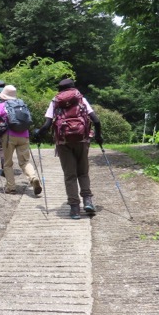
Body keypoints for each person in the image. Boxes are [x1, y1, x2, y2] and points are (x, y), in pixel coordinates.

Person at [33, 78, 103, 219]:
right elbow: (96, 120)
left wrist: (37, 134)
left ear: (60, 89)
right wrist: (98, 137)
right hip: (82, 140)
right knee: (83, 173)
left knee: (70, 175)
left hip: (63, 142)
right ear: (73, 87)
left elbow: (47, 125)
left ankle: (75, 209)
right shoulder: (80, 98)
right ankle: (88, 201)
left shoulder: (55, 101)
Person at [0, 85, 42, 196]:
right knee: (25, 162)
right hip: (24, 136)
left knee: (8, 163)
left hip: (9, 136)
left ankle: (11, 187)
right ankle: (33, 178)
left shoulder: (1, 105)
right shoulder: (22, 104)